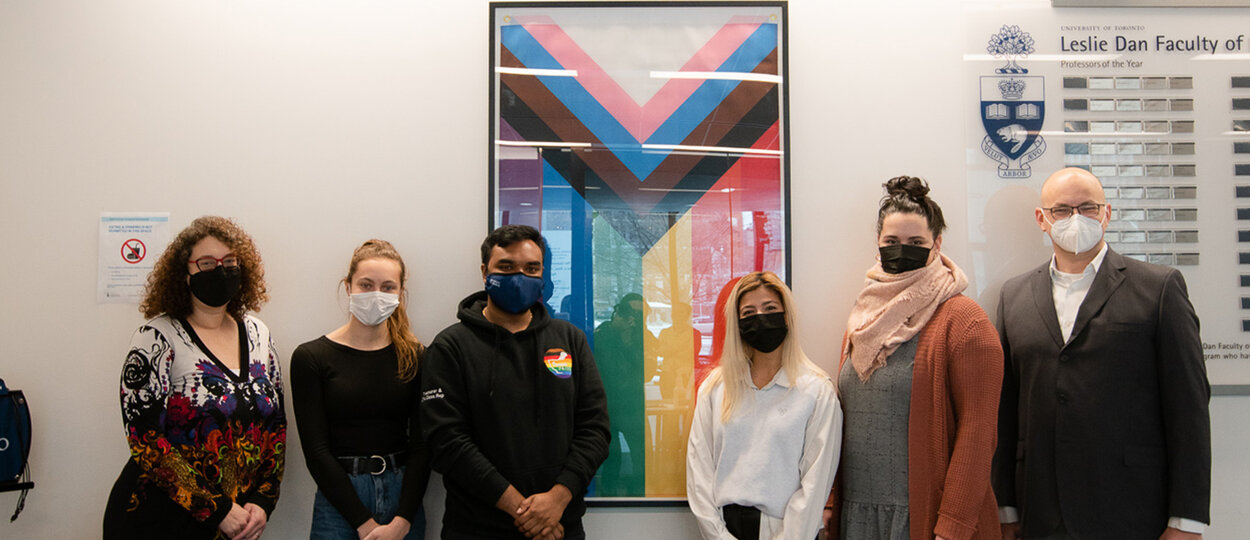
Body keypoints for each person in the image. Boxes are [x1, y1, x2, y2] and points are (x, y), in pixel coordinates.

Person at [993, 167, 1210, 540]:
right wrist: (1005, 506)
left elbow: (1188, 406)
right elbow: (1005, 410)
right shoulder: (1014, 296)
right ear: (1042, 220)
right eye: (1061, 210)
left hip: (1132, 510)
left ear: (1106, 214)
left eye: (1088, 207)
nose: (1076, 219)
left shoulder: (1159, 289)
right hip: (1040, 511)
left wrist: (1186, 521)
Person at [825, 176, 1003, 540]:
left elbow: (978, 433)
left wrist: (952, 527)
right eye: (891, 241)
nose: (901, 250)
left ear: (936, 244)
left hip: (926, 521)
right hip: (858, 515)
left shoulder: (965, 322)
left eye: (915, 242)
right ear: (878, 244)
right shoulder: (863, 321)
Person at [419, 224, 610, 540]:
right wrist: (528, 513)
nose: (519, 277)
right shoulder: (450, 347)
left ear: (542, 273)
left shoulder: (569, 340)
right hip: (477, 530)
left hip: (560, 525)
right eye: (505, 268)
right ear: (484, 271)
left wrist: (557, 500)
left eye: (531, 268)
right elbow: (446, 441)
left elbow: (595, 428)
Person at [104, 216, 285, 540]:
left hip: (240, 522)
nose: (221, 270)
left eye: (229, 262)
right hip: (161, 520)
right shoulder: (156, 338)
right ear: (184, 273)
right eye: (206, 263)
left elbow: (276, 426)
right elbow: (145, 440)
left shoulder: (259, 334)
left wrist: (264, 499)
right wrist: (215, 509)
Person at [291, 240, 430, 540]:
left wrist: (402, 521)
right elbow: (316, 452)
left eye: (387, 287)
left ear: (400, 294)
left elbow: (423, 447)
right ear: (348, 287)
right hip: (339, 501)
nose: (376, 295)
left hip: (403, 497)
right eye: (366, 285)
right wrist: (364, 524)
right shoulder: (311, 358)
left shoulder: (416, 356)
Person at [686, 271, 841, 540]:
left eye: (770, 308)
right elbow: (699, 470)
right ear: (737, 323)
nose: (760, 317)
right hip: (723, 526)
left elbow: (815, 483)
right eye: (749, 312)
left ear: (786, 315)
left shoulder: (816, 390)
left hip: (788, 529)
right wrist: (718, 535)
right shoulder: (715, 386)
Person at [592, 293, 652, 497]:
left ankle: (639, 493)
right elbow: (596, 368)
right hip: (606, 404)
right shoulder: (602, 334)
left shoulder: (645, 337)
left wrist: (628, 341)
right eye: (627, 310)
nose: (631, 317)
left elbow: (650, 371)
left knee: (641, 454)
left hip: (633, 405)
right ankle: (608, 495)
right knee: (610, 454)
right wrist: (618, 335)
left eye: (638, 313)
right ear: (617, 311)